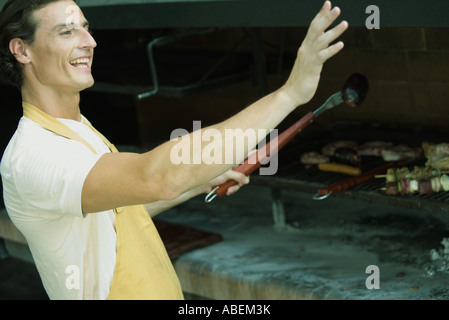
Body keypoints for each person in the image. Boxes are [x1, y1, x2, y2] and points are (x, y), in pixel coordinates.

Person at [0, 0, 348, 300]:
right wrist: (288, 94)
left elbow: (116, 215)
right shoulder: (33, 155)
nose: (88, 41)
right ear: (22, 50)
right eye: (66, 32)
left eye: (86, 29)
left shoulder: (78, 130)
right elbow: (155, 177)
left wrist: (196, 182)